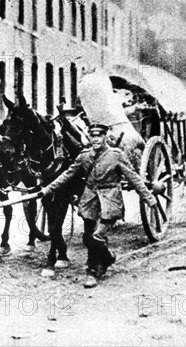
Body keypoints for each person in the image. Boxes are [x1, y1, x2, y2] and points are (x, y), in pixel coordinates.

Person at [37, 123, 157, 288]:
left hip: (109, 200)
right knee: (88, 237)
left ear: (105, 137)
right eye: (92, 136)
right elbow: (68, 174)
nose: (95, 140)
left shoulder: (116, 155)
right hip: (89, 200)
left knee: (97, 236)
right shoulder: (84, 156)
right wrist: (47, 189)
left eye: (98, 136)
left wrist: (149, 198)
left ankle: (92, 271)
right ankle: (104, 260)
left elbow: (133, 177)